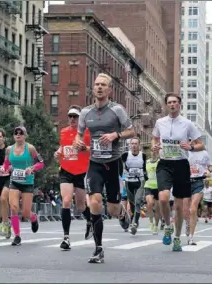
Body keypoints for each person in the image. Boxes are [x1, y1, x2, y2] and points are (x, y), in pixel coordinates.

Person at [74, 73, 133, 263]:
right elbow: (79, 134)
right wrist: (78, 143)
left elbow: (132, 131)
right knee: (95, 202)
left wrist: (115, 135)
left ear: (109, 90)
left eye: (103, 85)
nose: (99, 87)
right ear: (93, 88)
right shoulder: (85, 113)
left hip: (113, 163)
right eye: (97, 84)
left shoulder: (117, 110)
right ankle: (98, 248)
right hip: (95, 164)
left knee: (113, 209)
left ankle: (122, 212)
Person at [152, 93, 205, 251]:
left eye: (175, 102)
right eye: (169, 102)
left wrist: (191, 147)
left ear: (180, 105)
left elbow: (201, 145)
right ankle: (168, 226)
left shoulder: (187, 124)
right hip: (165, 163)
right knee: (162, 198)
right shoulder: (160, 122)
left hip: (181, 165)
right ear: (166, 105)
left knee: (180, 206)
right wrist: (155, 146)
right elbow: (155, 138)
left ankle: (177, 237)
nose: (172, 104)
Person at [54, 105, 92, 250]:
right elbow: (62, 147)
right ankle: (66, 237)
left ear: (80, 118)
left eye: (75, 116)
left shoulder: (87, 133)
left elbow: (93, 149)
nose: (72, 119)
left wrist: (85, 148)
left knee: (81, 205)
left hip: (81, 172)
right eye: (70, 116)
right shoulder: (63, 132)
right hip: (66, 170)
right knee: (66, 200)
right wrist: (58, 152)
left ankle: (89, 220)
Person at [2, 126, 44, 246]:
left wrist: (32, 168)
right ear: (13, 135)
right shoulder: (9, 149)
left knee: (25, 213)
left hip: (27, 182)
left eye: (21, 133)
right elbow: (6, 164)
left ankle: (33, 218)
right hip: (14, 181)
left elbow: (41, 163)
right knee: (14, 208)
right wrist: (6, 168)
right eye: (16, 133)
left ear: (25, 135)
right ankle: (17, 236)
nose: (18, 135)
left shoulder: (30, 148)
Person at [184, 148, 212, 245]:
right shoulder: (185, 151)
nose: (191, 141)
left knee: (193, 209)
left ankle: (191, 237)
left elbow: (210, 166)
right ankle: (188, 223)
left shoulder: (204, 153)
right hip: (186, 182)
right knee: (185, 211)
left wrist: (208, 171)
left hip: (199, 182)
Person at [121, 137, 147, 235]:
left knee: (137, 201)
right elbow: (120, 166)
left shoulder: (143, 155)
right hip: (128, 182)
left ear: (139, 145)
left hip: (140, 181)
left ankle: (135, 223)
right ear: (130, 145)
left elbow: (144, 168)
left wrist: (145, 175)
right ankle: (133, 219)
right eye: (132, 144)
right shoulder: (125, 155)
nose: (134, 145)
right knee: (131, 203)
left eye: (136, 144)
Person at [144, 149, 160, 235]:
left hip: (158, 187)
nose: (153, 152)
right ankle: (151, 222)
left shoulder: (160, 162)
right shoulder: (146, 162)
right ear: (150, 152)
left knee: (157, 208)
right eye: (152, 150)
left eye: (155, 151)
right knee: (149, 204)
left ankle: (156, 225)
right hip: (148, 185)